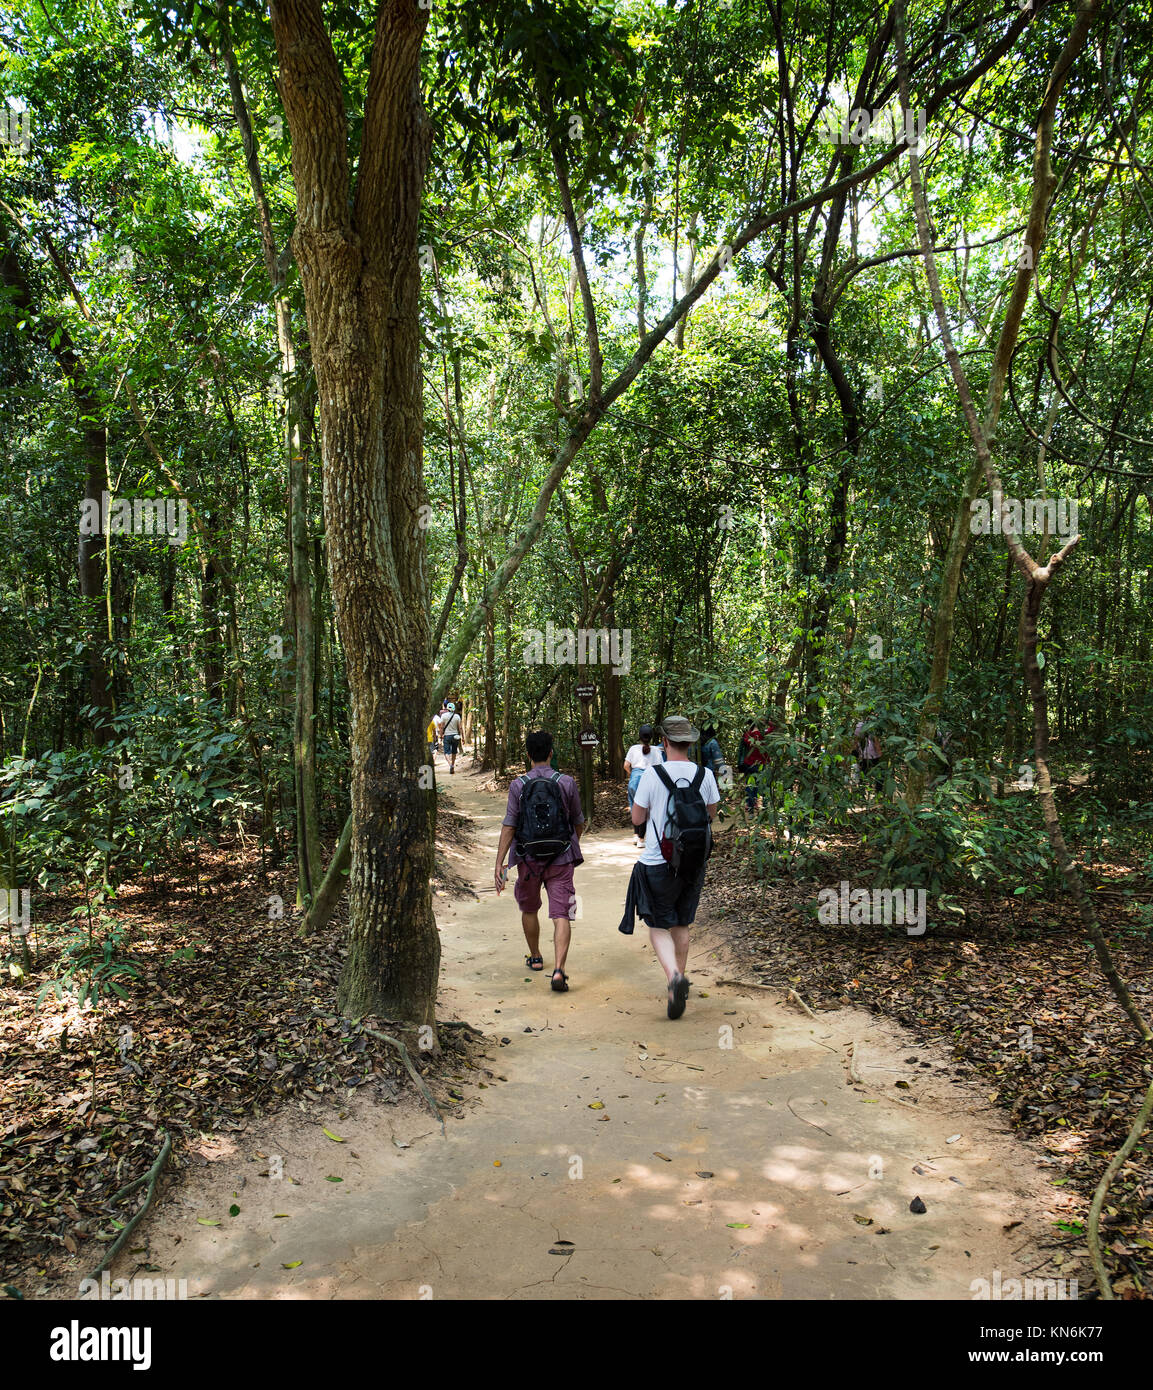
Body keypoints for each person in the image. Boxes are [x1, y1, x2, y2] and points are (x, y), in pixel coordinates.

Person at [618, 715, 720, 1020]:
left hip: (657, 863)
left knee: (658, 926)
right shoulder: (705, 775)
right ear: (690, 742)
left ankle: (675, 978)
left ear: (664, 742)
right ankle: (677, 982)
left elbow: (637, 819)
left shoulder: (653, 774)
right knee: (682, 925)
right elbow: (711, 815)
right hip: (692, 863)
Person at [495, 729, 586, 992]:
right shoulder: (566, 782)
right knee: (562, 914)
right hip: (561, 858)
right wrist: (571, 843)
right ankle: (559, 970)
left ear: (527, 755)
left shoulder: (518, 785)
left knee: (529, 908)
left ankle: (535, 957)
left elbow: (510, 824)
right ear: (551, 753)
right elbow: (578, 821)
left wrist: (499, 863)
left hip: (527, 858)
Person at [623, 724, 665, 848]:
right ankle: (641, 839)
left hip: (634, 781)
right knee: (646, 810)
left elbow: (626, 765)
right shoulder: (656, 751)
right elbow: (660, 768)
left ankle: (635, 835)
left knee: (634, 807)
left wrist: (632, 774)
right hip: (649, 780)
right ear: (651, 737)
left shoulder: (633, 748)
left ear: (639, 736)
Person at [737, 717, 773, 813]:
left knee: (750, 786)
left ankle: (751, 808)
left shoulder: (748, 735)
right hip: (763, 764)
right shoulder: (764, 734)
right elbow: (773, 727)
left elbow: (746, 742)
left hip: (749, 764)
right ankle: (765, 808)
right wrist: (766, 720)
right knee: (764, 785)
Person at [852, 714, 882, 796]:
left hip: (863, 755)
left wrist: (855, 752)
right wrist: (880, 754)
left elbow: (855, 740)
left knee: (862, 773)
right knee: (878, 775)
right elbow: (876, 742)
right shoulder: (873, 727)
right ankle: (878, 793)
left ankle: (861, 793)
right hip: (873, 755)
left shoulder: (859, 726)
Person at [441, 702, 462, 774]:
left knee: (446, 752)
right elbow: (460, 727)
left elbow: (442, 727)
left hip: (447, 736)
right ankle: (453, 764)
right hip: (455, 736)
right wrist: (462, 736)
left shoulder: (443, 716)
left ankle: (450, 765)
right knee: (454, 751)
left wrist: (441, 735)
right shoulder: (457, 716)